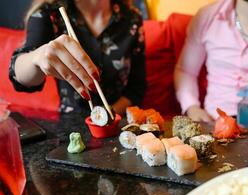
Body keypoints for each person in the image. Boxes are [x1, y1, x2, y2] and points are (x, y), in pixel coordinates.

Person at [9, 0, 146, 115]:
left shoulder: (132, 18)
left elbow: (136, 88)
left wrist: (106, 117)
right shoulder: (50, 15)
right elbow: (18, 75)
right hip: (70, 128)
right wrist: (38, 58)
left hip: (117, 124)